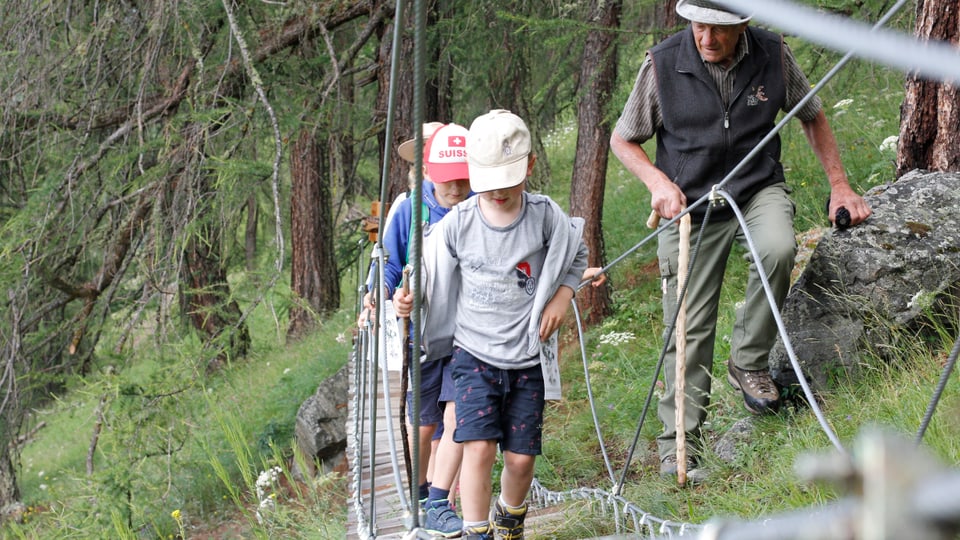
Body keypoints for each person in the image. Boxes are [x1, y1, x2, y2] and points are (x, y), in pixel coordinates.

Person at [609, 0, 871, 478]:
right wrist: (657, 183)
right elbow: (623, 139)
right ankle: (679, 448)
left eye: (718, 30)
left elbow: (812, 114)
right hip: (689, 202)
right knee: (687, 322)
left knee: (778, 248)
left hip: (756, 186)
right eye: (698, 27)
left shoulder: (772, 53)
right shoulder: (662, 64)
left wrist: (839, 184)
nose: (706, 39)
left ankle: (749, 360)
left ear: (744, 24)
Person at [397, 109, 601, 540]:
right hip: (473, 357)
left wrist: (563, 296)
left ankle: (509, 520)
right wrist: (408, 298)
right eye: (488, 181)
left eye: (509, 178)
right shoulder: (458, 223)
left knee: (521, 460)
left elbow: (575, 254)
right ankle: (475, 530)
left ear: (528, 166)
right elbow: (427, 273)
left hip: (527, 358)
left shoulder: (545, 216)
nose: (498, 191)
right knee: (478, 447)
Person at [369, 122, 473, 537]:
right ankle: (421, 485)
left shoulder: (478, 201)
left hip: (468, 330)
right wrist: (388, 296)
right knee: (424, 422)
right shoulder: (409, 209)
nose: (456, 184)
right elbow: (390, 263)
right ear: (427, 168)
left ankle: (439, 499)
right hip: (423, 333)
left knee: (459, 414)